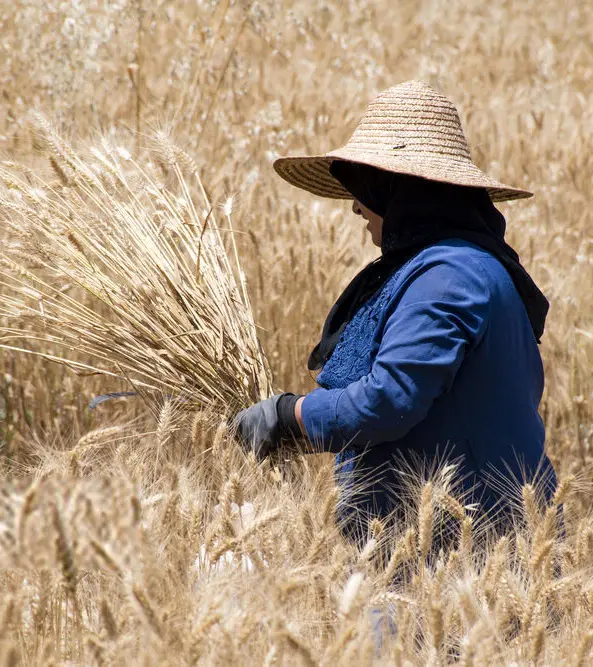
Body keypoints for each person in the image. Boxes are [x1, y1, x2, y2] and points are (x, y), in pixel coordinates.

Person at [234, 80, 557, 545]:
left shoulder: (450, 276)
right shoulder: (454, 266)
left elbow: (388, 401)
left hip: (468, 551)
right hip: (444, 545)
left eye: (364, 187)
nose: (354, 206)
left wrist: (289, 416)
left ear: (399, 191)